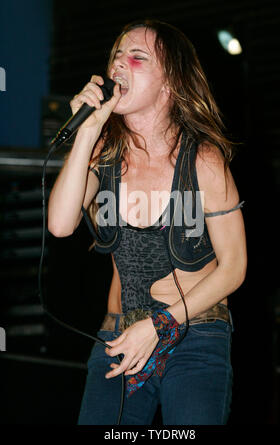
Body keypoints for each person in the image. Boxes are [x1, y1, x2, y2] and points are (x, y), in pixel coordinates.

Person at [47, 19, 247, 425]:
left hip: (194, 331)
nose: (119, 65)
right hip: (120, 334)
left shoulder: (203, 159)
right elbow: (60, 225)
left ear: (169, 82)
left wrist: (161, 324)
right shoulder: (102, 152)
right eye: (117, 56)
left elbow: (235, 268)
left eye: (136, 58)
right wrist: (86, 133)